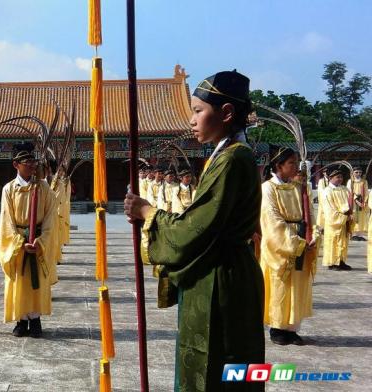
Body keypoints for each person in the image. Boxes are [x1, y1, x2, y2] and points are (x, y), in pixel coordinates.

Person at [124, 70, 265, 391]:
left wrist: (148, 212)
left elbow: (196, 229)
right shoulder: (229, 155)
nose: (191, 119)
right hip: (227, 271)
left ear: (227, 113)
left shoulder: (231, 160)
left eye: (198, 110)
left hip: (221, 280)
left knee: (216, 364)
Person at [259, 147, 318, 346]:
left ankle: (293, 328)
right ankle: (277, 327)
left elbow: (309, 213)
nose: (295, 167)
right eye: (291, 163)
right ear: (279, 166)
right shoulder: (268, 188)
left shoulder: (298, 187)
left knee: (298, 284)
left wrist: (312, 236)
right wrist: (296, 243)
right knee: (280, 285)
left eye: (296, 162)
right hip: (281, 246)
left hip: (301, 239)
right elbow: (272, 220)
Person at [0, 143, 57, 338]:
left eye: (34, 161)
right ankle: (21, 320)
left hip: (38, 240)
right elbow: (7, 220)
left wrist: (40, 241)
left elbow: (50, 217)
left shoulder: (44, 188)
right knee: (19, 281)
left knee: (36, 281)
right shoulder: (9, 189)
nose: (32, 165)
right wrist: (18, 242)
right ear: (16, 164)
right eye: (27, 162)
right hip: (18, 242)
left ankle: (35, 319)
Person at [321, 167, 353, 271]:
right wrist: (343, 216)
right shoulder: (327, 191)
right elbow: (329, 208)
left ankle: (341, 261)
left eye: (341, 177)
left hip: (344, 220)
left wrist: (350, 213)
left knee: (343, 241)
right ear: (330, 178)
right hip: (334, 221)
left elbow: (350, 202)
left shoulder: (344, 189)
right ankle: (333, 262)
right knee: (333, 241)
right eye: (337, 177)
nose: (340, 179)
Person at [347, 167, 368, 241]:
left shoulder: (364, 181)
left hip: (362, 201)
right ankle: (353, 234)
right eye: (356, 172)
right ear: (353, 173)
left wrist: (364, 201)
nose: (358, 174)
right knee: (354, 216)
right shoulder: (350, 181)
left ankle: (360, 234)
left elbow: (366, 192)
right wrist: (356, 200)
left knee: (361, 217)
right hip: (353, 202)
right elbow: (349, 192)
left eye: (360, 172)